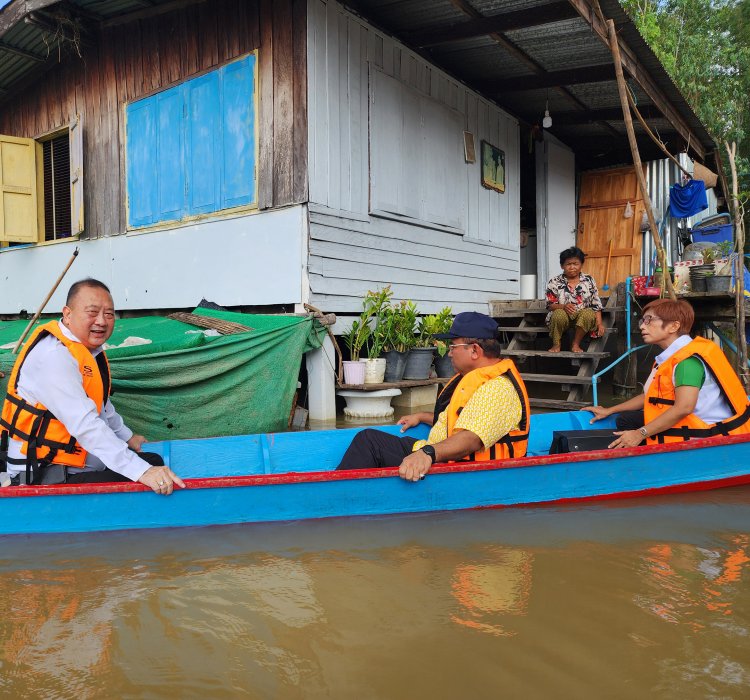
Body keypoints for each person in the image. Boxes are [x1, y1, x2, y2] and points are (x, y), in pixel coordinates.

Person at [0, 278, 185, 494]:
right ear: (67, 314)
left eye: (108, 314)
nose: (102, 321)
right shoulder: (54, 357)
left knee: (152, 460)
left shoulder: (86, 350)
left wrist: (127, 437)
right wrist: (142, 472)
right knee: (146, 475)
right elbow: (86, 424)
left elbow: (102, 405)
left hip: (77, 461)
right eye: (92, 312)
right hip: (45, 473)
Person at [336, 312, 530, 481]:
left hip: (455, 467)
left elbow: (471, 439)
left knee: (369, 442)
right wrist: (421, 416)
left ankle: (337, 496)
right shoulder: (478, 381)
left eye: (453, 346)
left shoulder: (497, 389)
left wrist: (427, 453)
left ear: (474, 350)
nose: (449, 353)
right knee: (369, 439)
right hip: (441, 453)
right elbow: (462, 418)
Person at [587, 298, 750, 448]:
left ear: (674, 326)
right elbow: (649, 397)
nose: (642, 326)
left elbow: (683, 408)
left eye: (649, 320)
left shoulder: (687, 362)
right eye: (643, 320)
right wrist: (610, 410)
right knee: (625, 419)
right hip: (691, 419)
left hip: (705, 432)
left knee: (631, 427)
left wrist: (639, 433)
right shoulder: (669, 358)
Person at [545, 246, 605, 353]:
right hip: (561, 318)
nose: (572, 267)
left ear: (581, 264)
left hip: (582, 319)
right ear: (562, 266)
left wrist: (600, 324)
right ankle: (556, 344)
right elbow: (550, 304)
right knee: (558, 313)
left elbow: (596, 305)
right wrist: (563, 306)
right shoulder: (554, 281)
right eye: (568, 264)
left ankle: (575, 344)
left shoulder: (589, 280)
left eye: (575, 264)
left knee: (588, 313)